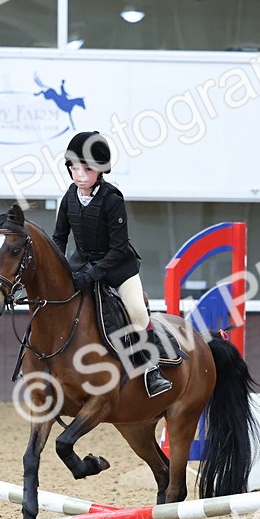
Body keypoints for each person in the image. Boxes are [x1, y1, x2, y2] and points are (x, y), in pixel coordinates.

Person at [52, 130, 173, 397]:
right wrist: (59, 269)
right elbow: (59, 238)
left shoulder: (112, 199)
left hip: (118, 268)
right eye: (73, 168)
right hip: (81, 265)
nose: (79, 175)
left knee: (137, 312)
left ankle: (153, 370)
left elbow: (118, 249)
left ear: (99, 169)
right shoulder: (69, 198)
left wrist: (93, 274)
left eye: (85, 168)